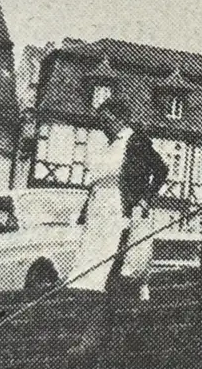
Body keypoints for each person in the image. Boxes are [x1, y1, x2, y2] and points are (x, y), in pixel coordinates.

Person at [68, 96, 169, 299]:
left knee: (114, 255)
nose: (103, 125)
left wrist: (144, 200)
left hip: (119, 205)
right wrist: (83, 213)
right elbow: (96, 182)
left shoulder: (135, 141)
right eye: (101, 121)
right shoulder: (107, 146)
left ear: (120, 118)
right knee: (90, 255)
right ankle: (85, 293)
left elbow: (161, 170)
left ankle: (108, 297)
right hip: (98, 206)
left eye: (107, 119)